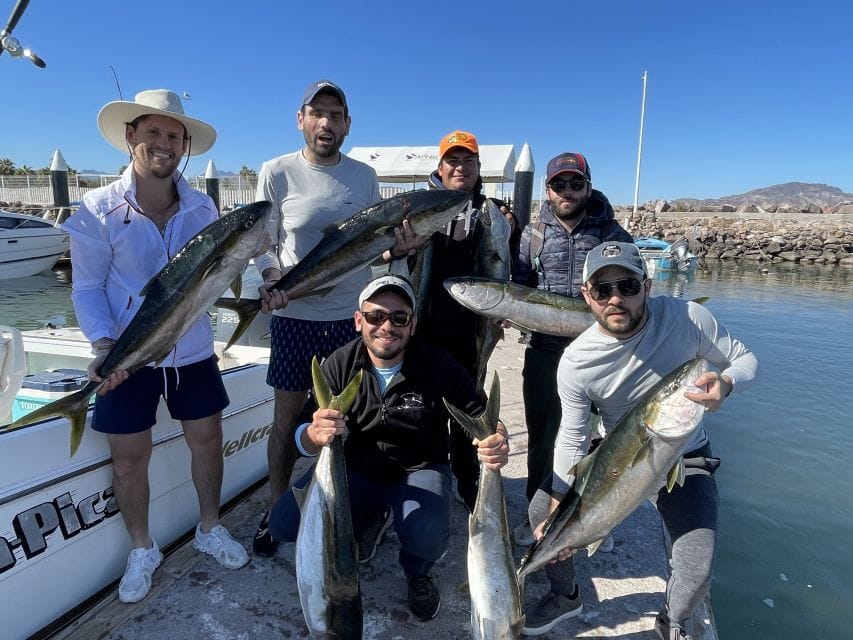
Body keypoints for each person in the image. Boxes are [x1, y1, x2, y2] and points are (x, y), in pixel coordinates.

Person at [63, 89, 249, 604]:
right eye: (153, 133)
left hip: (191, 350)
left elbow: (220, 270)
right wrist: (103, 345)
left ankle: (210, 527)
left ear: (185, 146)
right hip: (127, 353)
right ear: (131, 137)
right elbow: (85, 287)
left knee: (208, 441)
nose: (163, 144)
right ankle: (142, 548)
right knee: (128, 459)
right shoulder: (96, 209)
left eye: (173, 135)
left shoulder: (204, 206)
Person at [521, 242, 758, 637]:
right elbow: (573, 435)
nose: (616, 298)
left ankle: (674, 621)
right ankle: (566, 595)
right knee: (539, 513)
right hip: (617, 451)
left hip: (685, 453)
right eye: (602, 290)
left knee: (697, 565)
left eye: (627, 286)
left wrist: (727, 382)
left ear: (647, 286)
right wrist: (560, 505)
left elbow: (745, 358)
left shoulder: (688, 318)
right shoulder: (578, 361)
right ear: (587, 296)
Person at [267, 274, 510, 621]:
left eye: (399, 318)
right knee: (284, 523)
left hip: (418, 470)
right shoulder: (338, 363)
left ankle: (417, 572)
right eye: (376, 316)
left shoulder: (437, 364)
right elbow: (302, 436)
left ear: (412, 325)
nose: (387, 326)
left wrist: (497, 437)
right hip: (353, 471)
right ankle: (367, 518)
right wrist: (313, 434)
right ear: (358, 320)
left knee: (426, 535)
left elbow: (479, 412)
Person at [251, 80, 417, 556]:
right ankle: (277, 504)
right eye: (317, 113)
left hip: (352, 319)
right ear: (300, 119)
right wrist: (270, 279)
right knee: (286, 419)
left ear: (347, 125)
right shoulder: (275, 172)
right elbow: (264, 242)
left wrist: (400, 250)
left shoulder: (364, 177)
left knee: (358, 417)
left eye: (336, 115)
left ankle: (347, 506)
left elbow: (376, 244)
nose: (326, 123)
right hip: (295, 315)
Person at [510, 153, 632, 547]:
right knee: (543, 437)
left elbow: (634, 293)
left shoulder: (614, 235)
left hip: (605, 355)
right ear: (547, 189)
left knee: (603, 442)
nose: (567, 191)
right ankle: (537, 517)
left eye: (575, 184)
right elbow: (521, 285)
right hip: (546, 352)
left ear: (588, 186)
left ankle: (595, 520)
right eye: (559, 184)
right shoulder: (532, 235)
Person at [417, 129, 517, 512]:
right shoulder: (422, 208)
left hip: (471, 331)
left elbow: (514, 266)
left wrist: (509, 306)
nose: (460, 167)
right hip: (425, 327)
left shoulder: (493, 214)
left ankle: (467, 478)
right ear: (440, 168)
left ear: (478, 168)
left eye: (468, 161)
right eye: (453, 161)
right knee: (423, 407)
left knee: (468, 405)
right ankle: (425, 476)